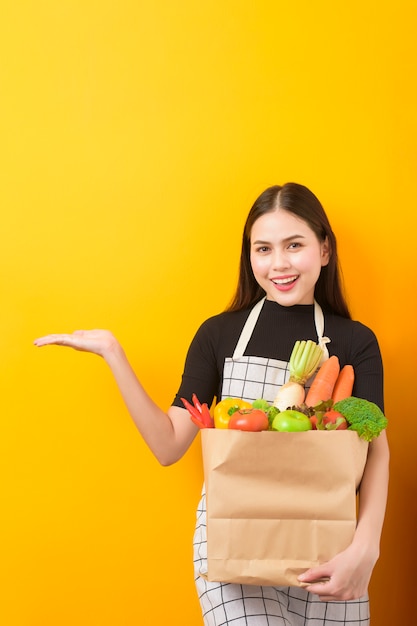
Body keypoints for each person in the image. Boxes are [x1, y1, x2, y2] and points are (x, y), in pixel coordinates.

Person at [34, 182, 389, 626]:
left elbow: (376, 450)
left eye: (293, 245)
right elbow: (168, 446)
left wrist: (365, 549)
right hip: (230, 544)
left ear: (324, 249)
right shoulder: (218, 335)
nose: (278, 263)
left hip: (329, 547)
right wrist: (113, 353)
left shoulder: (357, 342)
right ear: (250, 257)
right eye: (263, 249)